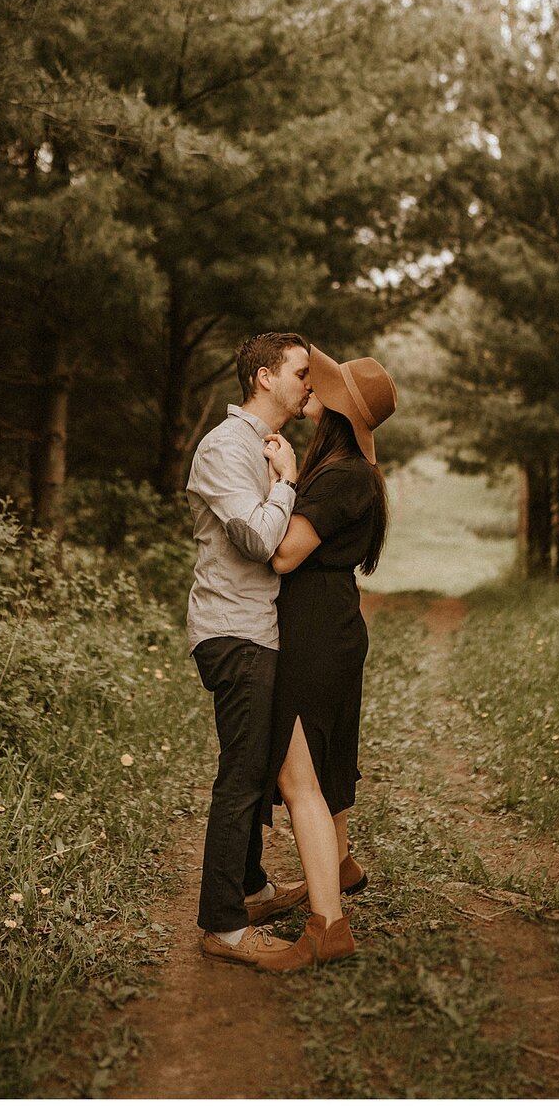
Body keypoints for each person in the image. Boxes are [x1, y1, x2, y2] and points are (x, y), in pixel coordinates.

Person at [253, 344, 396, 973]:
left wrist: (283, 482)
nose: (310, 387)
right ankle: (337, 866)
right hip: (331, 621)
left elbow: (284, 555)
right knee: (328, 754)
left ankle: (327, 924)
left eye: (321, 384)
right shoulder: (351, 470)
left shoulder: (341, 475)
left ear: (337, 407)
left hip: (314, 626)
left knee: (297, 772)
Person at [186, 331, 314, 965]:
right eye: (300, 370)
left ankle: (254, 888)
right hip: (230, 630)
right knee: (240, 778)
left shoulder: (263, 445)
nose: (308, 381)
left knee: (256, 769)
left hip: (256, 627)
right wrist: (286, 482)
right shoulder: (223, 448)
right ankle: (223, 926)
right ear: (264, 377)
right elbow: (259, 542)